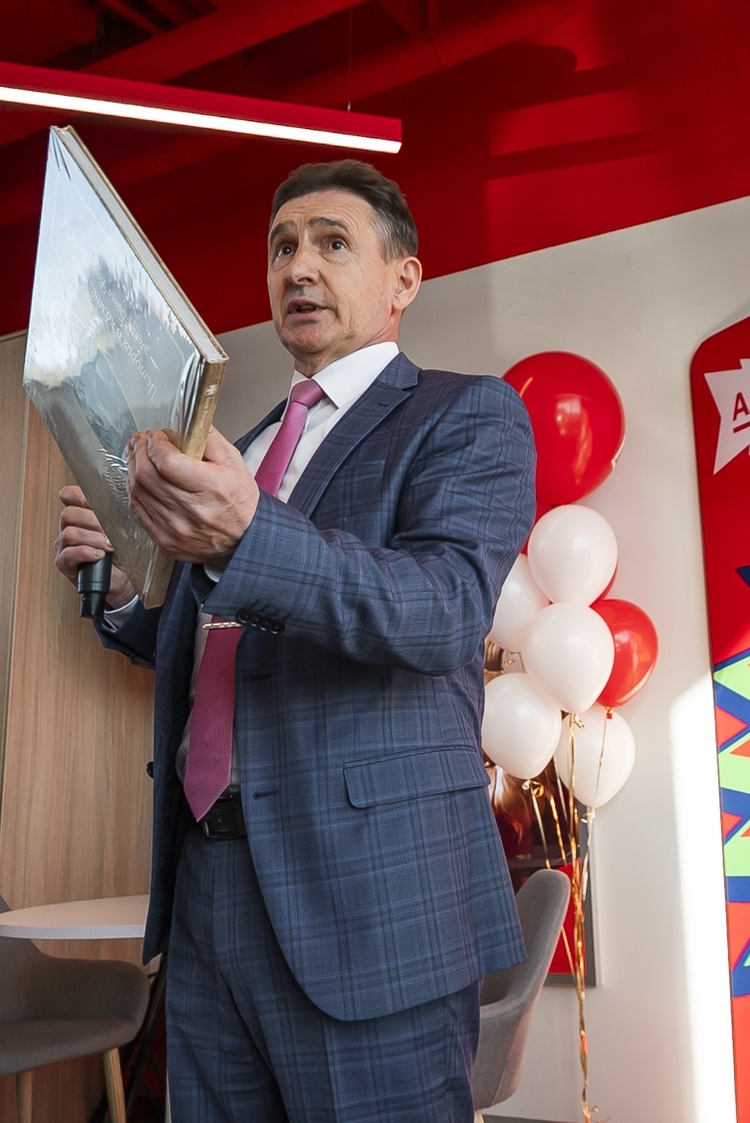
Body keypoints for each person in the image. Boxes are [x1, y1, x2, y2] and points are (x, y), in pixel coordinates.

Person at [54, 161, 537, 1122]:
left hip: (370, 904)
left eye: (331, 242)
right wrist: (126, 588)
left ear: (403, 279)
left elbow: (442, 609)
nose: (298, 267)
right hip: (207, 889)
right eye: (282, 247)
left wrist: (245, 537)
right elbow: (210, 646)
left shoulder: (465, 414)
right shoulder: (240, 446)